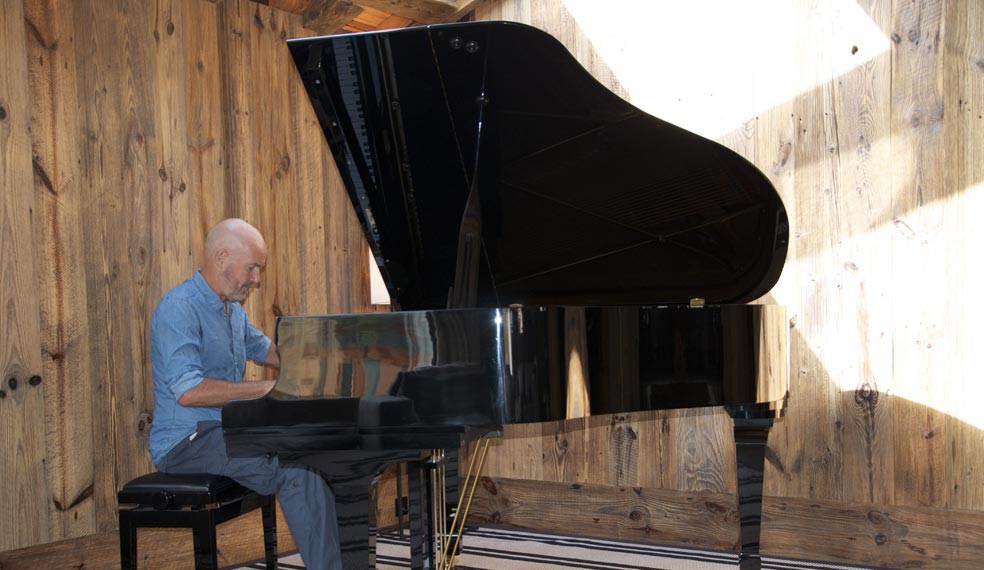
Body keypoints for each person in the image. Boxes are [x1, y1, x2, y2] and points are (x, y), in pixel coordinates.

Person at [148, 218, 341, 570]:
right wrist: (267, 388)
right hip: (185, 442)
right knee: (297, 465)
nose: (257, 279)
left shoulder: (233, 311)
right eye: (252, 268)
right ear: (222, 257)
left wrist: (329, 358)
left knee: (320, 449)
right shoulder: (179, 308)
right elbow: (189, 391)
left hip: (227, 431)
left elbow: (272, 352)